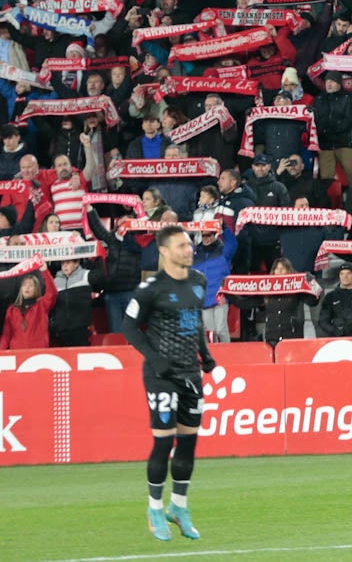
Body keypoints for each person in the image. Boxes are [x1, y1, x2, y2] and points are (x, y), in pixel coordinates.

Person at [122, 225, 217, 542]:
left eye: (189, 245)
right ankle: (154, 509)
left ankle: (179, 507)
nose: (188, 250)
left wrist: (205, 355)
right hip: (161, 375)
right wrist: (155, 358)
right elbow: (129, 327)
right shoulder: (150, 288)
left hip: (191, 373)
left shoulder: (199, 282)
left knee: (189, 444)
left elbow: (196, 321)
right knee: (164, 441)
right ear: (164, 251)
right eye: (181, 246)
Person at [317, 265, 352, 337]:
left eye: (348, 273)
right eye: (342, 274)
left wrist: (349, 329)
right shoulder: (331, 296)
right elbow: (323, 320)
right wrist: (335, 330)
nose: (345, 277)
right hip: (336, 338)